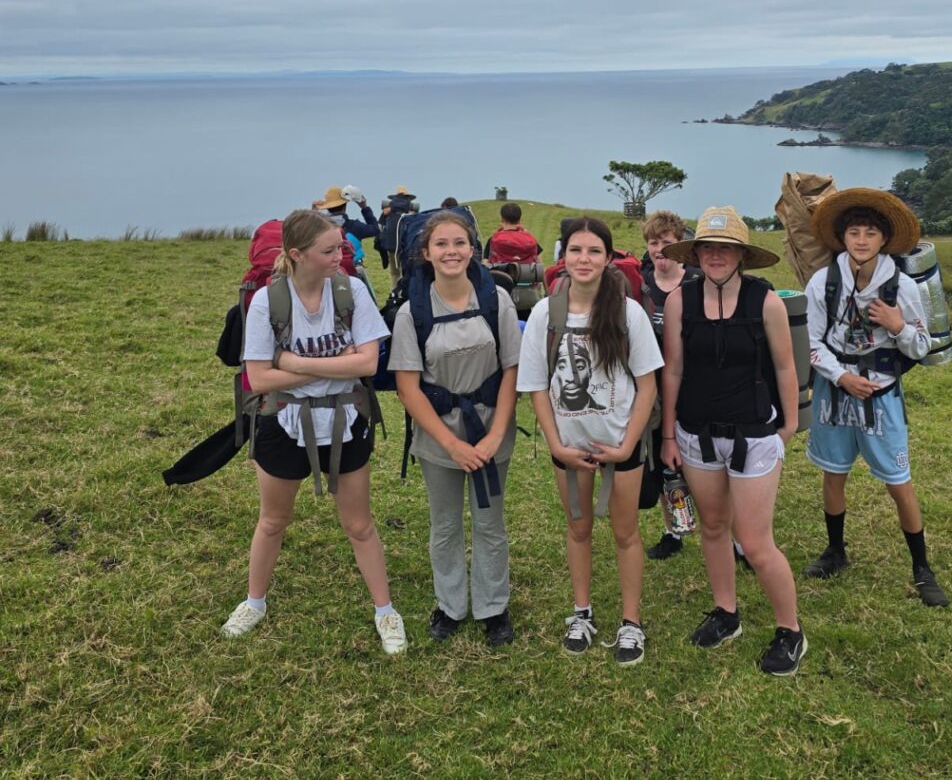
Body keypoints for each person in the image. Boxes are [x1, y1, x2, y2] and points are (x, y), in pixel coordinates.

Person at [222, 209, 406, 652]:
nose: (340, 256)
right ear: (296, 255)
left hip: (345, 421)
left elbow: (366, 363)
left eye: (341, 247)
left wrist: (296, 363)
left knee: (359, 525)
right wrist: (329, 367)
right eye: (329, 250)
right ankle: (254, 602)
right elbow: (259, 379)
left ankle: (386, 611)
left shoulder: (351, 290)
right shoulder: (269, 300)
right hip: (284, 422)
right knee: (272, 520)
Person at [659, 206, 806, 676]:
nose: (716, 255)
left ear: (741, 255)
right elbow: (675, 368)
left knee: (756, 542)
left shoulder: (766, 302)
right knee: (713, 528)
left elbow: (786, 366)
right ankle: (727, 613)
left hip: (754, 433)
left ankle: (791, 630)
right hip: (696, 432)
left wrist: (787, 425)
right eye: (708, 247)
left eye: (726, 248)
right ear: (697, 253)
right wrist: (667, 432)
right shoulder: (682, 300)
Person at [516, 217, 661, 666]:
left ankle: (631, 622)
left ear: (608, 258)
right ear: (563, 257)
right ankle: (582, 612)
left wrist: (626, 445)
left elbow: (648, 386)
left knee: (625, 533)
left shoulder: (627, 312)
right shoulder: (545, 313)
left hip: (621, 444)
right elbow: (537, 385)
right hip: (571, 445)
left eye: (594, 251)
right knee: (578, 529)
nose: (584, 259)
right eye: (576, 250)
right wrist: (556, 444)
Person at [803, 189, 949, 608]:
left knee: (899, 482)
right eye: (854, 232)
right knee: (834, 473)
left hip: (881, 394)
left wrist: (897, 324)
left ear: (884, 240)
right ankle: (836, 551)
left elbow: (921, 346)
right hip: (835, 392)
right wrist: (842, 376)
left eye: (870, 233)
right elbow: (813, 344)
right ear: (843, 238)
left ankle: (922, 567)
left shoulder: (901, 286)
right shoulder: (824, 281)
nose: (862, 240)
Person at [390, 211, 523, 646]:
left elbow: (511, 372)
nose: (452, 251)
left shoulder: (495, 300)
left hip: (490, 429)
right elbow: (408, 389)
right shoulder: (413, 311)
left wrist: (493, 436)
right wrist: (452, 445)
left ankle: (493, 607)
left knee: (490, 523)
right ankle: (450, 605)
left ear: (472, 249)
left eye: (460, 243)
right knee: (444, 525)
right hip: (438, 435)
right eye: (442, 244)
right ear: (426, 253)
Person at [640, 210, 701, 561]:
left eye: (667, 242)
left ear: (680, 245)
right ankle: (673, 529)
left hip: (693, 386)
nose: (659, 249)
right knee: (664, 463)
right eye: (653, 242)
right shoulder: (641, 284)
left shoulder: (696, 280)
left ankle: (734, 539)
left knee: (704, 464)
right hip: (654, 390)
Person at [314, 186, 381, 245]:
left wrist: (313, 212)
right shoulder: (355, 226)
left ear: (327, 206)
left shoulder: (318, 227)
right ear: (345, 206)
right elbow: (376, 229)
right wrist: (364, 208)